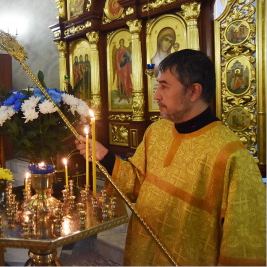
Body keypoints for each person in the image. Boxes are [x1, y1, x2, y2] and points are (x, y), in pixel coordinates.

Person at [75, 49, 266, 265]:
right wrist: (105, 156)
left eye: (164, 86)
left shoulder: (232, 156)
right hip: (142, 256)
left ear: (194, 91)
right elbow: (137, 184)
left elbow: (242, 246)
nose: (156, 95)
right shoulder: (157, 132)